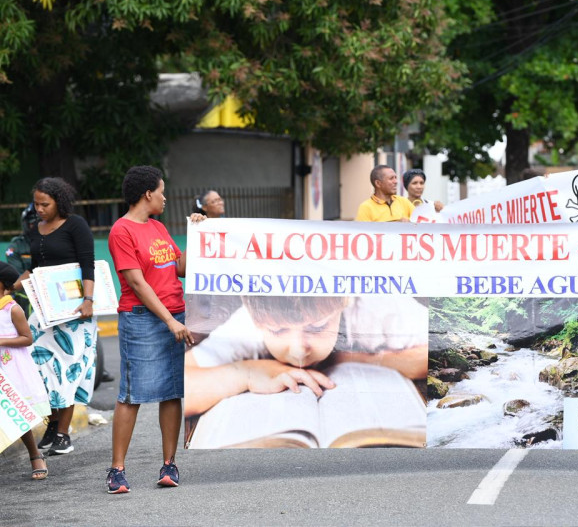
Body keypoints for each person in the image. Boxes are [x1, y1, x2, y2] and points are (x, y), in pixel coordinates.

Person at [105, 165, 204, 494]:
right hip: (144, 319)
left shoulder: (159, 228)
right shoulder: (122, 230)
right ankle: (117, 470)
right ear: (148, 193)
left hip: (173, 315)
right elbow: (136, 282)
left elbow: (180, 268)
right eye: (161, 191)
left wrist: (198, 235)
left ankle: (169, 464)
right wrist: (169, 320)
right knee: (131, 395)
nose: (165, 197)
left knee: (172, 392)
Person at [184, 295, 428, 417]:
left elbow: (434, 354)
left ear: (344, 299)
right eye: (278, 330)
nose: (299, 349)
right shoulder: (250, 322)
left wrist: (348, 358)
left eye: (318, 327)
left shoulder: (374, 305)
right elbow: (182, 384)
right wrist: (248, 373)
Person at [11, 177, 97, 456]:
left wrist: (88, 300)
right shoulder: (37, 228)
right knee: (40, 368)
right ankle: (52, 423)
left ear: (59, 201)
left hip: (75, 311)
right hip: (45, 311)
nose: (39, 209)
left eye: (44, 204)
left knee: (68, 369)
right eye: (36, 204)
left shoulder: (76, 225)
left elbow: (87, 263)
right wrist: (13, 284)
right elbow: (36, 267)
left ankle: (63, 433)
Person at [0, 262, 51, 480]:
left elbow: (27, 338)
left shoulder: (13, 308)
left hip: (11, 369)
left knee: (18, 415)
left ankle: (34, 454)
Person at [5, 203, 38, 316]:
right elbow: (17, 277)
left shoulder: (52, 242)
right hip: (25, 290)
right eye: (32, 223)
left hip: (50, 286)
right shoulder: (16, 246)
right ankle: (30, 331)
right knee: (29, 297)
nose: (35, 226)